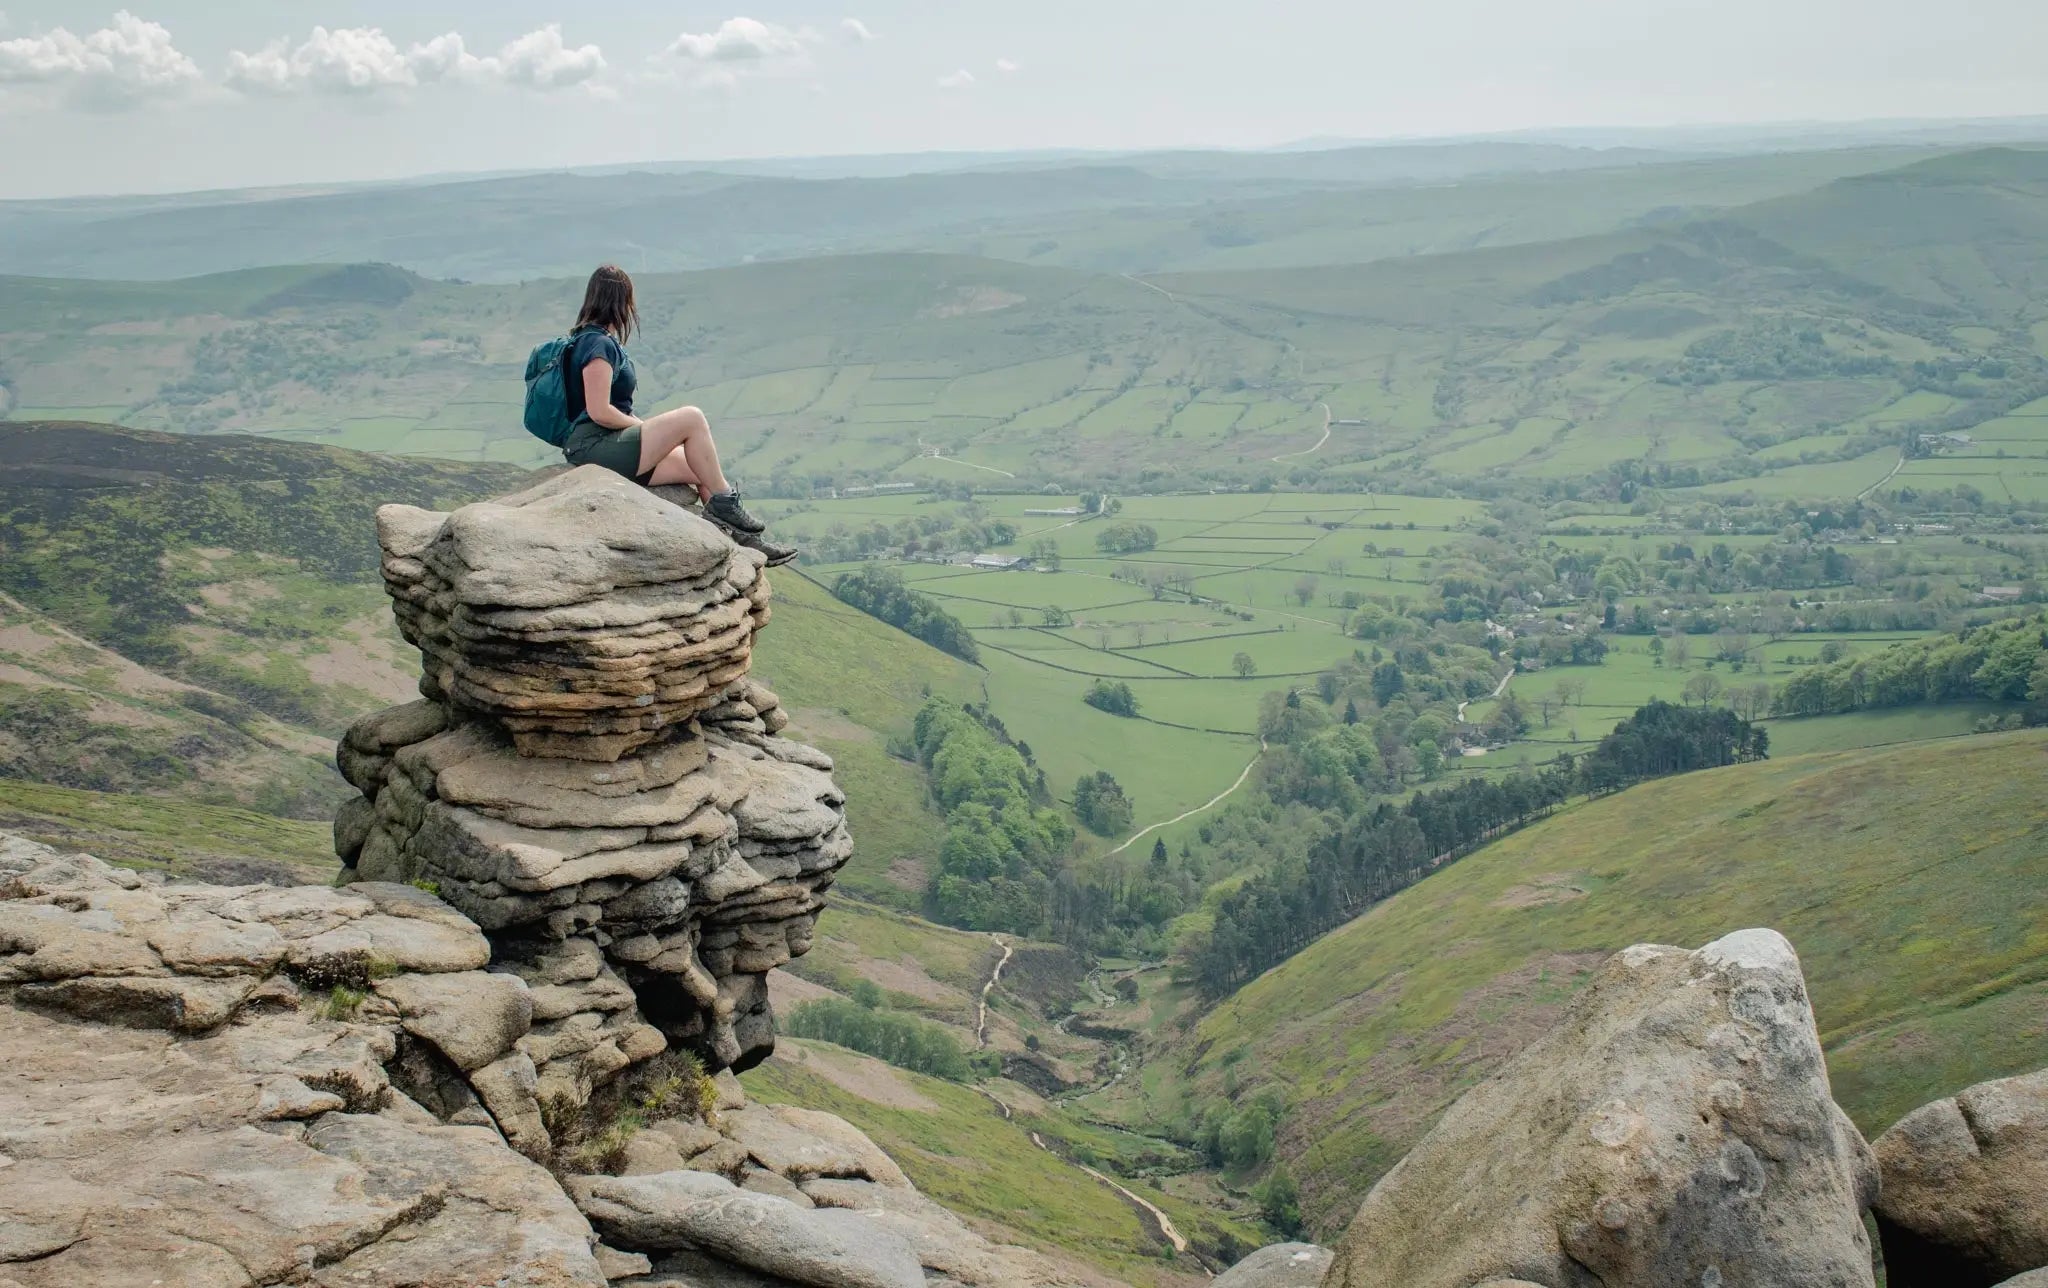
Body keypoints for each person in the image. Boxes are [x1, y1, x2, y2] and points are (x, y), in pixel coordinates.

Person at [560, 264, 765, 535]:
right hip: (597, 446)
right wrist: (641, 428)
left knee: (701, 466)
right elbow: (599, 411)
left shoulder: (586, 339)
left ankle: (739, 538)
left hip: (602, 445)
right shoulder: (598, 345)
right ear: (621, 302)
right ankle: (728, 504)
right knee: (692, 417)